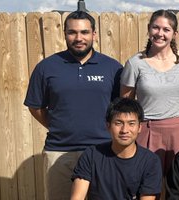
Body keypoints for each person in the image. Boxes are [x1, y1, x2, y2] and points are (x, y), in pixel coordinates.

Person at [23, 10, 122, 199]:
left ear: (94, 34)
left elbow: (121, 110)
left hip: (102, 151)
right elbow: (35, 106)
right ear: (65, 34)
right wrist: (58, 126)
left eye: (84, 32)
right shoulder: (47, 67)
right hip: (59, 152)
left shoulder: (113, 68)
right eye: (72, 32)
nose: (79, 38)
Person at [120, 9, 179, 175]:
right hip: (147, 131)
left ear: (174, 34)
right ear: (149, 29)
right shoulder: (135, 64)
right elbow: (126, 104)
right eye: (156, 28)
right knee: (146, 187)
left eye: (166, 29)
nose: (160, 33)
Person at [70, 98, 162, 200]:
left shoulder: (150, 161)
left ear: (140, 127)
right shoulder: (91, 155)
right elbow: (77, 197)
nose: (124, 130)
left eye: (131, 123)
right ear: (108, 126)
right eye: (118, 123)